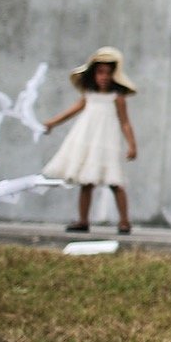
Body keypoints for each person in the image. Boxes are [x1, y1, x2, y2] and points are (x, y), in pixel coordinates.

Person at [41, 47, 139, 234]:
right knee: (86, 182)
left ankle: (124, 221)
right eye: (100, 73)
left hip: (106, 143)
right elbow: (71, 111)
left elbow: (125, 123)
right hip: (88, 140)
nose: (103, 77)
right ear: (93, 74)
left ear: (114, 76)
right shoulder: (89, 96)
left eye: (108, 74)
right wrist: (52, 123)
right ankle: (83, 220)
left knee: (115, 182)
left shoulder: (117, 98)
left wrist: (132, 145)